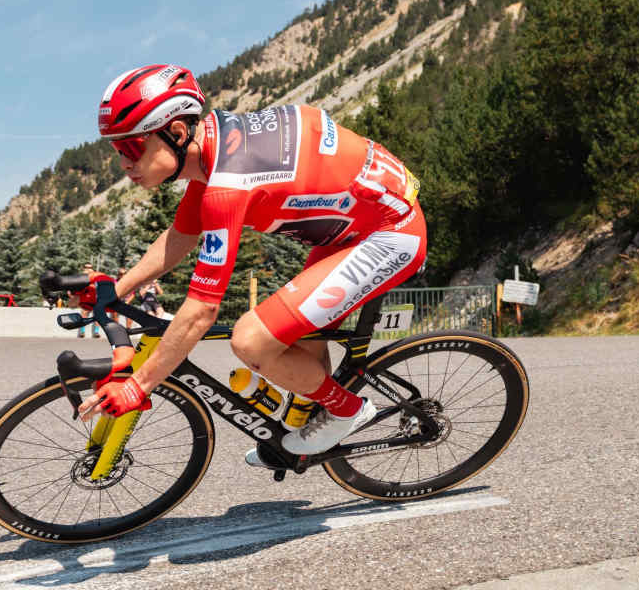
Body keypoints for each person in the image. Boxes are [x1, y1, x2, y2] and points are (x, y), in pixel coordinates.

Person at [82, 64, 427, 460]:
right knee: (290, 329)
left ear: (176, 133)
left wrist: (139, 385)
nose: (124, 163)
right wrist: (113, 289)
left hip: (391, 233)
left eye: (131, 148)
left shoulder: (227, 185)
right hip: (353, 229)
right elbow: (180, 237)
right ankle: (308, 420)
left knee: (251, 340)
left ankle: (346, 409)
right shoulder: (216, 146)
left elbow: (201, 311)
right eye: (117, 151)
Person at [75, 262, 101, 339]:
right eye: (86, 267)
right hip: (86, 299)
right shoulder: (81, 277)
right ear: (83, 268)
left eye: (90, 267)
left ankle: (96, 332)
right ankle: (82, 332)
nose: (89, 269)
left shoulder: (96, 277)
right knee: (84, 314)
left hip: (96, 299)